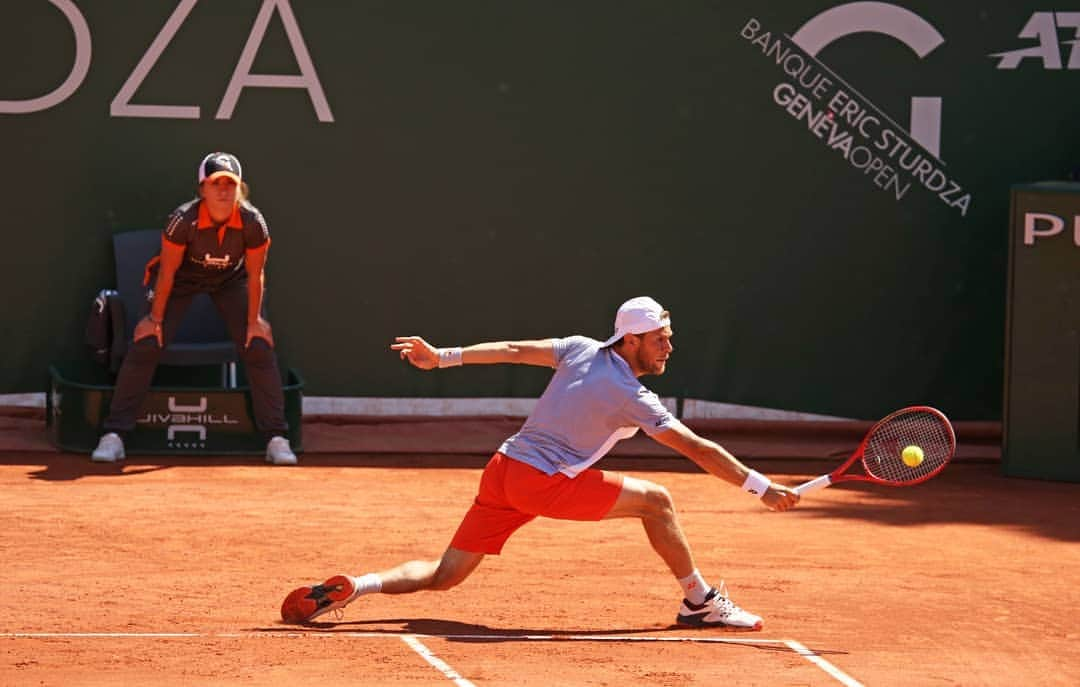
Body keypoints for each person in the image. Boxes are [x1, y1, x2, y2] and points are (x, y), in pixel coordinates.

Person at [280, 296, 800, 628]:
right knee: (658, 502)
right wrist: (760, 485)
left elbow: (509, 348)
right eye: (661, 338)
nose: (669, 347)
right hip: (541, 481)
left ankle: (357, 587)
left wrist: (442, 356)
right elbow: (695, 447)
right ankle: (699, 601)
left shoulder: (578, 348)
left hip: (502, 471)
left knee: (445, 574)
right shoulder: (634, 397)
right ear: (634, 339)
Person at [90, 152, 296, 465]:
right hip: (182, 279)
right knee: (147, 342)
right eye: (216, 184)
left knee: (258, 345)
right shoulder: (182, 220)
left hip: (231, 281)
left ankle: (276, 438)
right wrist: (154, 318)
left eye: (231, 184)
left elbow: (256, 274)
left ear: (240, 189)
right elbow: (169, 272)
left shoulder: (254, 222)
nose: (224, 191)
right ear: (202, 189)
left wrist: (255, 320)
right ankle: (115, 434)